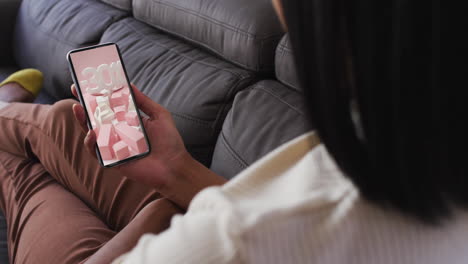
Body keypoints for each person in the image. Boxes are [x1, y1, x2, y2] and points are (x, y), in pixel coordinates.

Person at [1, 0, 457, 263]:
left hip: (178, 230)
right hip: (189, 204)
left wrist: (167, 219)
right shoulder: (392, 148)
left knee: (21, 171)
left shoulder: (237, 239)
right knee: (62, 120)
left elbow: (261, 226)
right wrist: (178, 171)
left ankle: (7, 105)